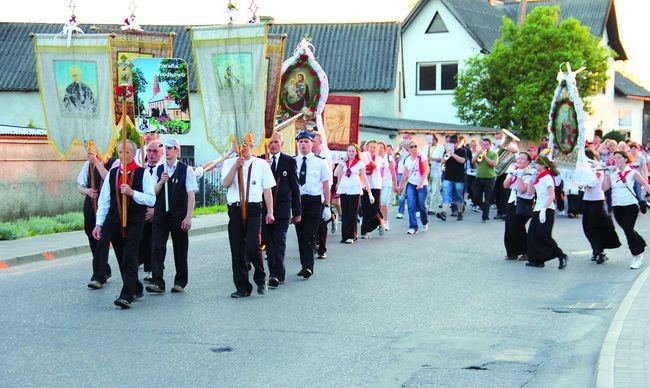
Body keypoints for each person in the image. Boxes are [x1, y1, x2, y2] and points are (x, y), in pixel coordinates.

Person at [91, 140, 156, 308]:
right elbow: (104, 200)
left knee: (129, 255)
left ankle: (127, 294)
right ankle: (135, 286)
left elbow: (151, 198)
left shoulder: (143, 173)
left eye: (126, 152)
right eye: (120, 152)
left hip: (135, 219)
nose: (122, 156)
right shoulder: (113, 173)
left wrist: (132, 193)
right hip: (114, 219)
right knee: (120, 255)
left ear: (133, 154)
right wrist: (99, 224)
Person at [222, 138, 276, 298]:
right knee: (237, 249)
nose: (242, 148)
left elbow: (267, 190)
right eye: (239, 144)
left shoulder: (261, 164)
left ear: (252, 146)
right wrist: (235, 166)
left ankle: (260, 278)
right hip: (235, 208)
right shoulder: (229, 163)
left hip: (253, 208)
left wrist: (270, 212)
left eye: (245, 144)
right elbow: (226, 184)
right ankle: (242, 287)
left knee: (253, 245)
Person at [145, 138, 198, 294]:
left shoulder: (185, 170)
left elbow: (191, 195)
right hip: (161, 214)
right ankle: (157, 282)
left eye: (170, 148)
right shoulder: (158, 169)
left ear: (177, 150)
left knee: (180, 248)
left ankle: (180, 281)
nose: (167, 150)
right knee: (157, 247)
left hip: (178, 214)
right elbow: (152, 193)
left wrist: (188, 216)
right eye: (165, 148)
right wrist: (161, 182)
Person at [262, 132, 301, 289]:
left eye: (276, 142)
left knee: (279, 240)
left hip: (283, 208)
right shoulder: (260, 160)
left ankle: (277, 274)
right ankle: (273, 272)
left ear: (282, 144)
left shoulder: (288, 161)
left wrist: (297, 211)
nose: (273, 145)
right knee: (269, 242)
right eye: (270, 142)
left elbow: (294, 186)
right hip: (265, 209)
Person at [602, 151, 650, 269]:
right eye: (615, 158)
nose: (616, 160)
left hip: (630, 205)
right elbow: (604, 188)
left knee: (628, 229)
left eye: (619, 158)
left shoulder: (632, 172)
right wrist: (607, 174)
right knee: (627, 230)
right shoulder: (613, 173)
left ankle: (637, 255)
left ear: (625, 159)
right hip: (617, 205)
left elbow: (645, 184)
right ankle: (640, 243)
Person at [294, 130, 331, 278]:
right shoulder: (293, 161)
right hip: (298, 202)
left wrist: (327, 206)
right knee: (300, 235)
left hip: (314, 201)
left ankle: (309, 267)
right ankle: (304, 266)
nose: (303, 144)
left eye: (306, 142)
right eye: (301, 142)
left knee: (309, 234)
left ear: (312, 144)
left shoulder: (320, 162)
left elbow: (326, 184)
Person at [78, 149, 116, 289]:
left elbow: (109, 179)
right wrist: (87, 191)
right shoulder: (88, 164)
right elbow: (80, 186)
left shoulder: (114, 163)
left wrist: (97, 163)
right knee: (92, 237)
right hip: (91, 204)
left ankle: (98, 276)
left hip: (106, 206)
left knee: (102, 239)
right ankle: (104, 269)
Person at [525, 155, 568, 269]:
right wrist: (531, 180)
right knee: (532, 235)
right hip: (538, 209)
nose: (535, 165)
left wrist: (544, 209)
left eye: (537, 164)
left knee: (543, 235)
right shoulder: (539, 177)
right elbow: (530, 193)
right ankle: (537, 259)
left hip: (546, 209)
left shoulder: (548, 177)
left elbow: (552, 195)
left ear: (543, 165)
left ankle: (560, 255)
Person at [580, 148, 621, 264]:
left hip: (597, 200)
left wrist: (583, 182)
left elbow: (592, 182)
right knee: (586, 227)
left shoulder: (597, 168)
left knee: (597, 227)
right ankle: (595, 249)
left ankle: (599, 251)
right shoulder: (585, 169)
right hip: (587, 200)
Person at [334, 144, 372, 243]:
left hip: (354, 188)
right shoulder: (344, 162)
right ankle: (345, 235)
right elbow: (336, 173)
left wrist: (369, 192)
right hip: (344, 188)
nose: (351, 153)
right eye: (349, 151)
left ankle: (352, 235)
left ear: (356, 152)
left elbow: (364, 178)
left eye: (353, 151)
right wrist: (341, 162)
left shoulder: (359, 163)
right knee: (345, 212)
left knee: (352, 212)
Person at [138, 140, 163, 283]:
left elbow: (162, 192)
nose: (151, 154)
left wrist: (154, 209)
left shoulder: (163, 168)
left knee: (156, 243)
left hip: (157, 210)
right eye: (149, 151)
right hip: (143, 210)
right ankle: (149, 269)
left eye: (155, 151)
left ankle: (157, 270)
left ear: (161, 153)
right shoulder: (143, 169)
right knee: (145, 242)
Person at [502, 152, 534, 260]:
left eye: (522, 159)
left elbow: (522, 189)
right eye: (518, 158)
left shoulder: (529, 173)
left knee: (518, 227)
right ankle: (512, 252)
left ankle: (526, 251)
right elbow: (505, 185)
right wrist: (511, 175)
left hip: (524, 202)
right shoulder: (513, 169)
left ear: (528, 162)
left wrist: (519, 176)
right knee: (509, 227)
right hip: (513, 201)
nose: (519, 160)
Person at [398, 140, 429, 234]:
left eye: (415, 146)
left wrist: (421, 183)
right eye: (411, 147)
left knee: (421, 205)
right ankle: (413, 227)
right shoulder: (407, 160)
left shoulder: (422, 157)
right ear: (408, 150)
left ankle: (424, 221)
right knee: (411, 205)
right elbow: (404, 175)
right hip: (411, 184)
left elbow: (426, 171)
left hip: (422, 185)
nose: (413, 148)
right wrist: (400, 186)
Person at [312, 131, 334, 259]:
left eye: (314, 141)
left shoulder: (325, 156)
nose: (312, 143)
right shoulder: (308, 155)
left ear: (320, 143)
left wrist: (327, 202)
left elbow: (327, 179)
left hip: (322, 192)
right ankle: (314, 243)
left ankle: (322, 248)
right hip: (311, 193)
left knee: (321, 222)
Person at [360, 141, 386, 239]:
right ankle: (365, 231)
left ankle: (379, 221)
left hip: (375, 185)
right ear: (366, 148)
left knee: (374, 208)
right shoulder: (362, 158)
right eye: (370, 147)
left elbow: (375, 166)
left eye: (374, 148)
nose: (372, 149)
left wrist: (369, 158)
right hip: (365, 185)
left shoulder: (379, 158)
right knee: (365, 208)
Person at [437, 135, 466, 221]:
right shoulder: (447, 151)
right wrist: (447, 155)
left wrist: (453, 154)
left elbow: (462, 160)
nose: (451, 145)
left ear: (457, 143)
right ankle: (444, 213)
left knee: (458, 196)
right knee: (446, 193)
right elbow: (442, 162)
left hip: (459, 178)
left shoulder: (462, 151)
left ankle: (460, 212)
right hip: (448, 176)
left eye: (453, 143)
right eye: (450, 143)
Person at [472, 138, 499, 223]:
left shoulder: (493, 154)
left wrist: (485, 156)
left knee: (488, 198)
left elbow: (494, 164)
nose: (484, 146)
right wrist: (477, 155)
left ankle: (485, 217)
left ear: (490, 145)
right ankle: (485, 209)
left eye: (486, 144)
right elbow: (472, 161)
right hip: (479, 177)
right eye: (483, 144)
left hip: (489, 178)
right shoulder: (479, 152)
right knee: (476, 197)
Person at [378, 142, 397, 230]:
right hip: (377, 183)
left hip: (386, 183)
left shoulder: (389, 158)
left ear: (384, 149)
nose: (380, 149)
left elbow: (393, 172)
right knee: (378, 204)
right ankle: (379, 221)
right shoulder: (375, 158)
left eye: (382, 147)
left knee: (383, 202)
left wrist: (395, 185)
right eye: (379, 147)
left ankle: (385, 221)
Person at [425, 135, 444, 215]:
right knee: (428, 190)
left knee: (435, 190)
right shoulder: (426, 147)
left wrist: (432, 158)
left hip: (436, 171)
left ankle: (432, 208)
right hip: (428, 170)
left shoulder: (440, 147)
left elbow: (442, 159)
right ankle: (428, 206)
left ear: (435, 139)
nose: (430, 141)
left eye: (432, 139)